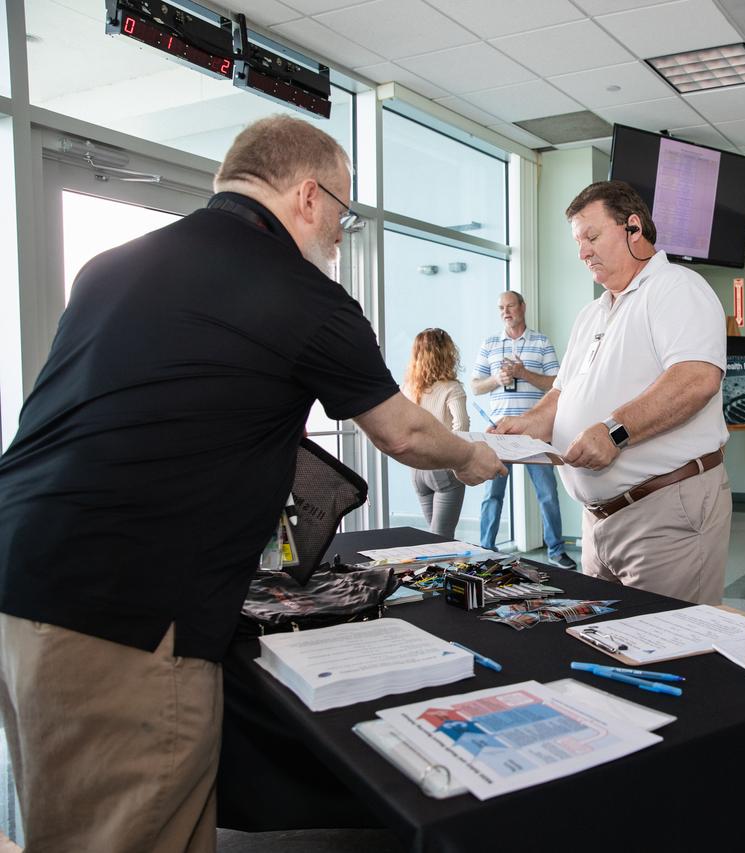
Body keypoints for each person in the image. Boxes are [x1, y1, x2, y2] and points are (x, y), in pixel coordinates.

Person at [0, 115, 504, 853]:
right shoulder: (302, 293)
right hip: (126, 611)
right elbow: (404, 431)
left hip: (21, 579)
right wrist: (470, 456)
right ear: (308, 195)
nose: (340, 232)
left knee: (67, 817)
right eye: (343, 211)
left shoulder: (110, 267)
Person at [493, 180, 731, 604]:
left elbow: (696, 379)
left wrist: (614, 432)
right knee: (604, 642)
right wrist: (522, 428)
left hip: (663, 512)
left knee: (669, 649)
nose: (582, 251)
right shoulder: (593, 311)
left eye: (592, 236)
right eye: (578, 241)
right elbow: (563, 395)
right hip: (597, 520)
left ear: (633, 229)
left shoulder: (677, 288)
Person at [471, 291, 574, 568]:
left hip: (533, 433)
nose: (506, 312)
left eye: (510, 306)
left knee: (548, 493)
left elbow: (556, 383)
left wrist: (523, 373)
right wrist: (496, 378)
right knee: (492, 494)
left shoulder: (541, 342)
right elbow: (475, 385)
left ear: (522, 307)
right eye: (501, 308)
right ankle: (486, 551)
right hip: (499, 432)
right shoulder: (490, 343)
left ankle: (556, 550)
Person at [404, 328, 470, 538]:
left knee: (433, 537)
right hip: (443, 468)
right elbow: (461, 426)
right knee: (442, 538)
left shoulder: (408, 388)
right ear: (447, 353)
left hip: (417, 469)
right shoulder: (452, 388)